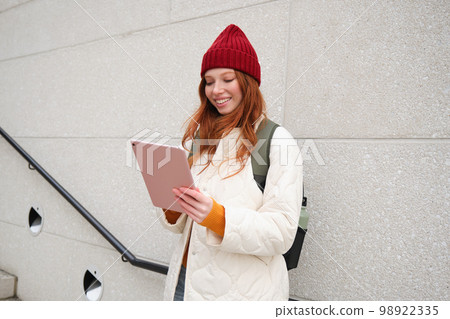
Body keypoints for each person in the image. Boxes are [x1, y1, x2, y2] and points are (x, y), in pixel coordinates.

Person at [159, 24, 303, 301]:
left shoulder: (276, 140)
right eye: (209, 81)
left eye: (227, 79)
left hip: (240, 297)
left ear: (248, 83)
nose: (216, 90)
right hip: (183, 285)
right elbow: (179, 224)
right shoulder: (196, 139)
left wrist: (217, 217)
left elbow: (283, 232)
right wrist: (172, 207)